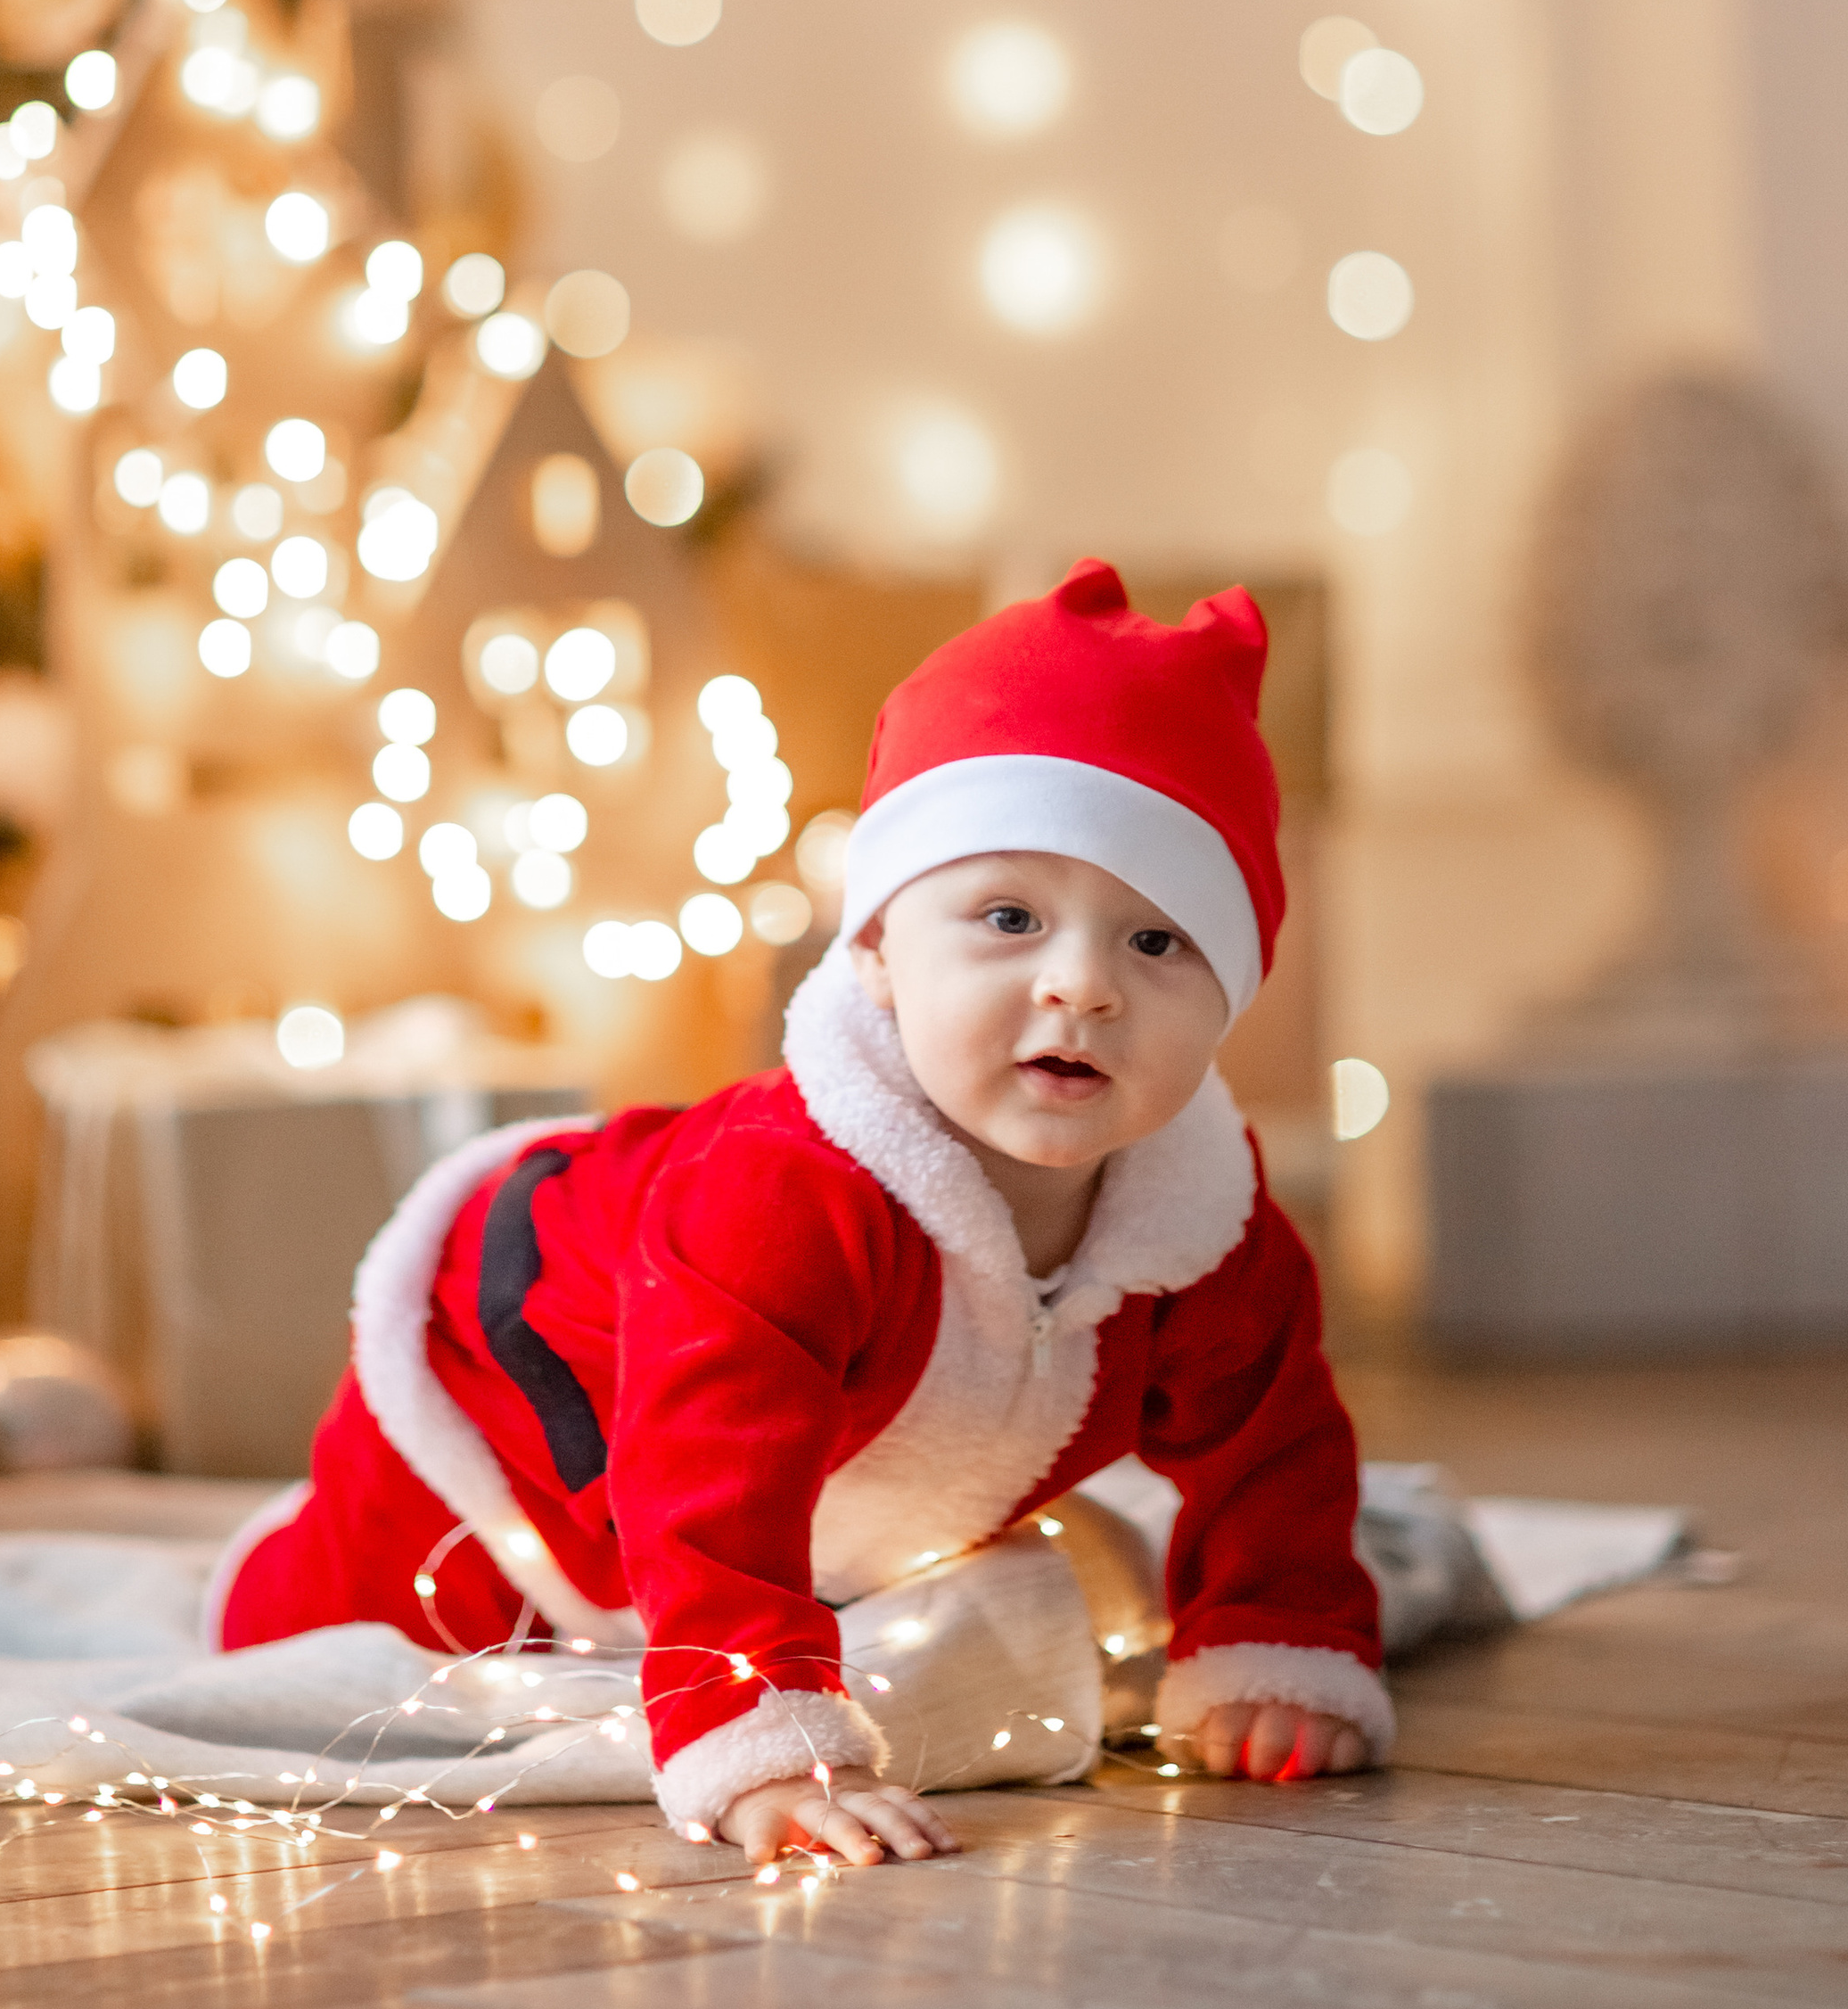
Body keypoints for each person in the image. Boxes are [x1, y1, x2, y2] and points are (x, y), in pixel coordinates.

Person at [213, 560, 1388, 1866]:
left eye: (1157, 943)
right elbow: (711, 1472)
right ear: (877, 952)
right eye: (1008, 917)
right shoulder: (786, 1192)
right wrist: (765, 1744)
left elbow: (1275, 1446)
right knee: (344, 1644)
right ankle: (259, 1555)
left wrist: (1275, 1645)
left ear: (1231, 994)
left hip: (844, 1480)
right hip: (527, 1390)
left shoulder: (1207, 1229)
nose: (1081, 987)